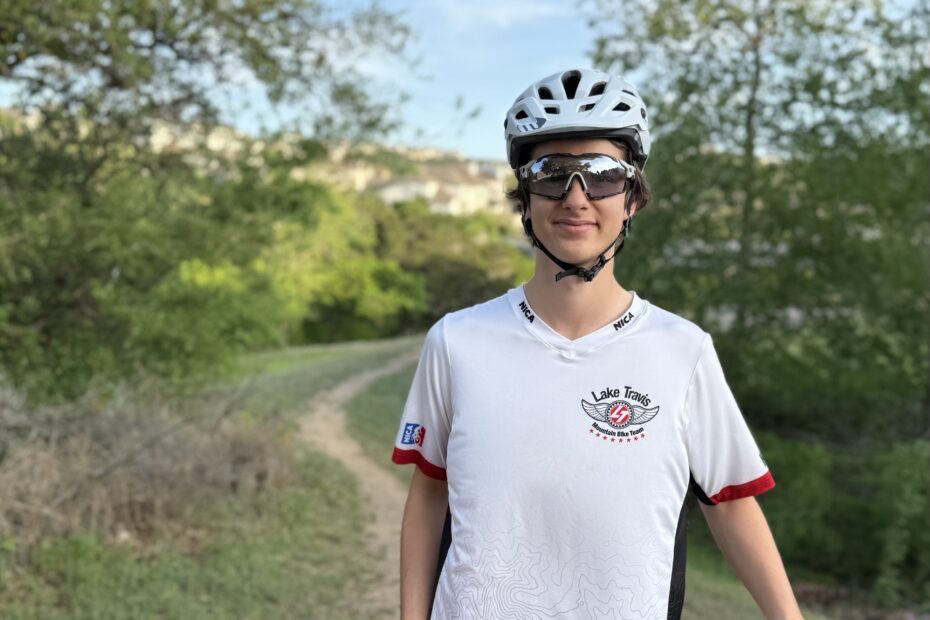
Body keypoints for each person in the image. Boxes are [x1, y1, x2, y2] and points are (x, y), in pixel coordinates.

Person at [392, 68, 802, 620]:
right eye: (551, 174)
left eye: (603, 175)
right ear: (525, 198)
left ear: (631, 199)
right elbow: (428, 497)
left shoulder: (683, 351)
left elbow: (731, 506)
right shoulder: (455, 341)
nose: (576, 196)